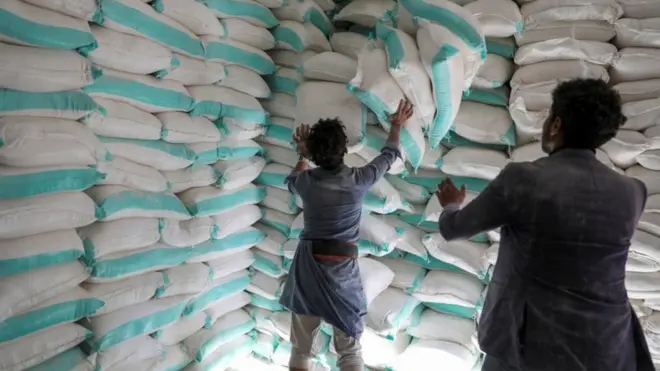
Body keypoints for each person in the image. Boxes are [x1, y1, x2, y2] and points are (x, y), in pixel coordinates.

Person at [436, 78, 654, 371]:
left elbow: (453, 228)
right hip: (607, 344)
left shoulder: (524, 179)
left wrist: (451, 204)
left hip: (529, 347)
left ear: (555, 125)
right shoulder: (632, 192)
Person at [279, 100, 414, 371]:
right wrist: (396, 125)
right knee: (349, 349)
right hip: (341, 269)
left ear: (316, 155)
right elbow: (388, 156)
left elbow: (292, 181)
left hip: (307, 268)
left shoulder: (306, 183)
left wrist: (302, 154)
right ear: (344, 150)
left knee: (301, 347)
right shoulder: (359, 179)